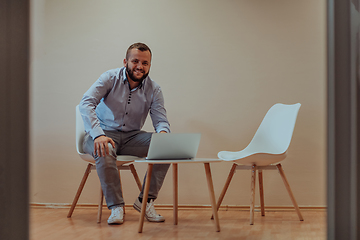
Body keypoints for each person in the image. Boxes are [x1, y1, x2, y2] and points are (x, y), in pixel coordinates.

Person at [79, 42, 170, 225]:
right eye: (135, 61)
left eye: (145, 63)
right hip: (102, 134)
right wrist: (98, 134)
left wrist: (162, 132)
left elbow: (160, 120)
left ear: (149, 66)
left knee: (166, 147)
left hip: (132, 137)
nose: (139, 66)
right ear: (125, 62)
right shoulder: (109, 78)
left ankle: (145, 202)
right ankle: (116, 207)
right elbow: (86, 103)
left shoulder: (154, 89)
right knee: (104, 148)